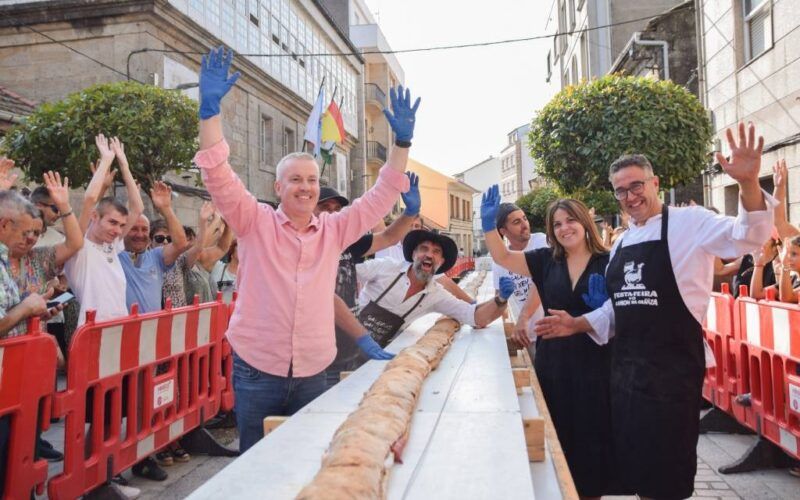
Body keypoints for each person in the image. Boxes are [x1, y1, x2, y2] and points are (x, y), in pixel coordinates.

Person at [533, 123, 776, 499]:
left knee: (666, 479)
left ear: (655, 183)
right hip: (626, 376)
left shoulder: (691, 223)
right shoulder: (622, 242)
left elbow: (750, 235)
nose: (630, 196)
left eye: (636, 186)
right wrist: (577, 323)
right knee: (637, 473)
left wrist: (747, 183)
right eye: (621, 190)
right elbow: (619, 307)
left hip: (671, 376)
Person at [195, 46, 418, 453]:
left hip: (315, 370)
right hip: (257, 369)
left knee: (309, 460)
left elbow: (381, 196)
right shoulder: (254, 221)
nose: (305, 187)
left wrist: (402, 143)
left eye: (312, 180)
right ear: (278, 187)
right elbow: (217, 174)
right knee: (256, 462)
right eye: (295, 180)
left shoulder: (334, 230)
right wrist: (209, 113)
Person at [481, 191, 617, 498]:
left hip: (596, 367)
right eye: (557, 224)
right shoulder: (546, 260)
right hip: (554, 365)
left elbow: (619, 313)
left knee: (591, 449)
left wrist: (585, 319)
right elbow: (502, 257)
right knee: (558, 442)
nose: (564, 228)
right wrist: (488, 227)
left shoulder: (609, 262)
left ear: (584, 223)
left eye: (570, 220)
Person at [316, 176, 421, 387]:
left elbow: (387, 238)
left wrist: (409, 214)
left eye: (336, 209)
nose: (333, 213)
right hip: (320, 359)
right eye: (325, 208)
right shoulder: (306, 247)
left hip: (349, 351)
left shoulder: (345, 243)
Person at [335, 229, 515, 348]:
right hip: (341, 343)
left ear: (441, 262)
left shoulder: (435, 295)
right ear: (413, 254)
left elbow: (475, 318)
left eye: (436, 252)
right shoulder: (385, 267)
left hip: (377, 351)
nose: (429, 254)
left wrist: (500, 300)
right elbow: (340, 274)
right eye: (424, 249)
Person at [66, 135, 144, 326]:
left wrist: (124, 165)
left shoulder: (112, 244)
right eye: (112, 222)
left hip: (120, 327)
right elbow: (90, 200)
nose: (118, 231)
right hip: (92, 330)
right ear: (94, 216)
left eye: (121, 225)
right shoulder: (79, 245)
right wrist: (106, 161)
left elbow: (137, 208)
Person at [490, 203, 548, 351]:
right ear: (503, 231)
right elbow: (500, 303)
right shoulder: (499, 261)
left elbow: (542, 282)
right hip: (526, 338)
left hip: (551, 333)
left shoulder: (542, 242)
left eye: (525, 218)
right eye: (516, 222)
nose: (525, 224)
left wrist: (524, 317)